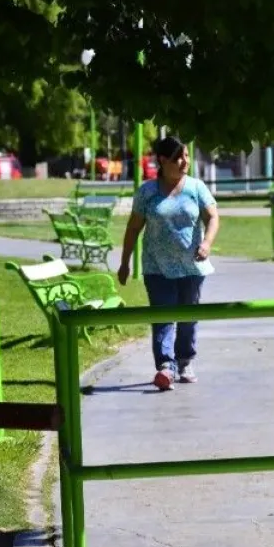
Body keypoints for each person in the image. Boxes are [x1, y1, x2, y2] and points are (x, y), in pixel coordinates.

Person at [117, 136, 220, 391]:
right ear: (162, 160)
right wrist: (124, 262)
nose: (184, 161)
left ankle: (185, 361)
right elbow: (133, 229)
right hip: (157, 267)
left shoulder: (196, 187)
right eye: (178, 157)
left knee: (188, 316)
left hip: (191, 267)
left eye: (186, 156)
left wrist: (207, 243)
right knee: (163, 316)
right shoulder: (148, 192)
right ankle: (165, 366)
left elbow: (213, 217)